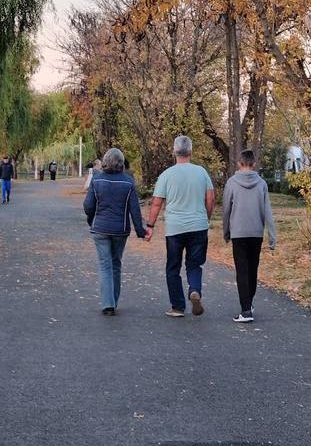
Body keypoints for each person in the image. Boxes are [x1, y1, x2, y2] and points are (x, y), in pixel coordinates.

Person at [145, 135, 215, 318]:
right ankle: (195, 290)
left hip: (175, 228)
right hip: (198, 226)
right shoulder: (202, 172)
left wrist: (150, 225)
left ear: (174, 152)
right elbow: (210, 199)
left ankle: (177, 306)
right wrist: (205, 218)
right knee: (194, 264)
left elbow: (156, 203)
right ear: (191, 152)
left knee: (173, 267)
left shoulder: (166, 175)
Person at [84, 148, 146, 315]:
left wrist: (92, 220)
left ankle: (108, 304)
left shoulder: (97, 180)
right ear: (121, 163)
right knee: (116, 264)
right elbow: (135, 209)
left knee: (105, 265)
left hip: (100, 229)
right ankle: (114, 301)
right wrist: (141, 231)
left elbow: (88, 205)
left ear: (105, 161)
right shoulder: (128, 182)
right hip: (120, 229)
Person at [222, 149, 276, 323]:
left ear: (239, 163)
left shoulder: (231, 183)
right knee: (252, 269)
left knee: (242, 271)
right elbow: (268, 211)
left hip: (238, 232)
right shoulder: (262, 184)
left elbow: (226, 210)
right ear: (254, 164)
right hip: (256, 232)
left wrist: (226, 231)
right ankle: (249, 303)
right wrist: (272, 236)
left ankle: (245, 311)